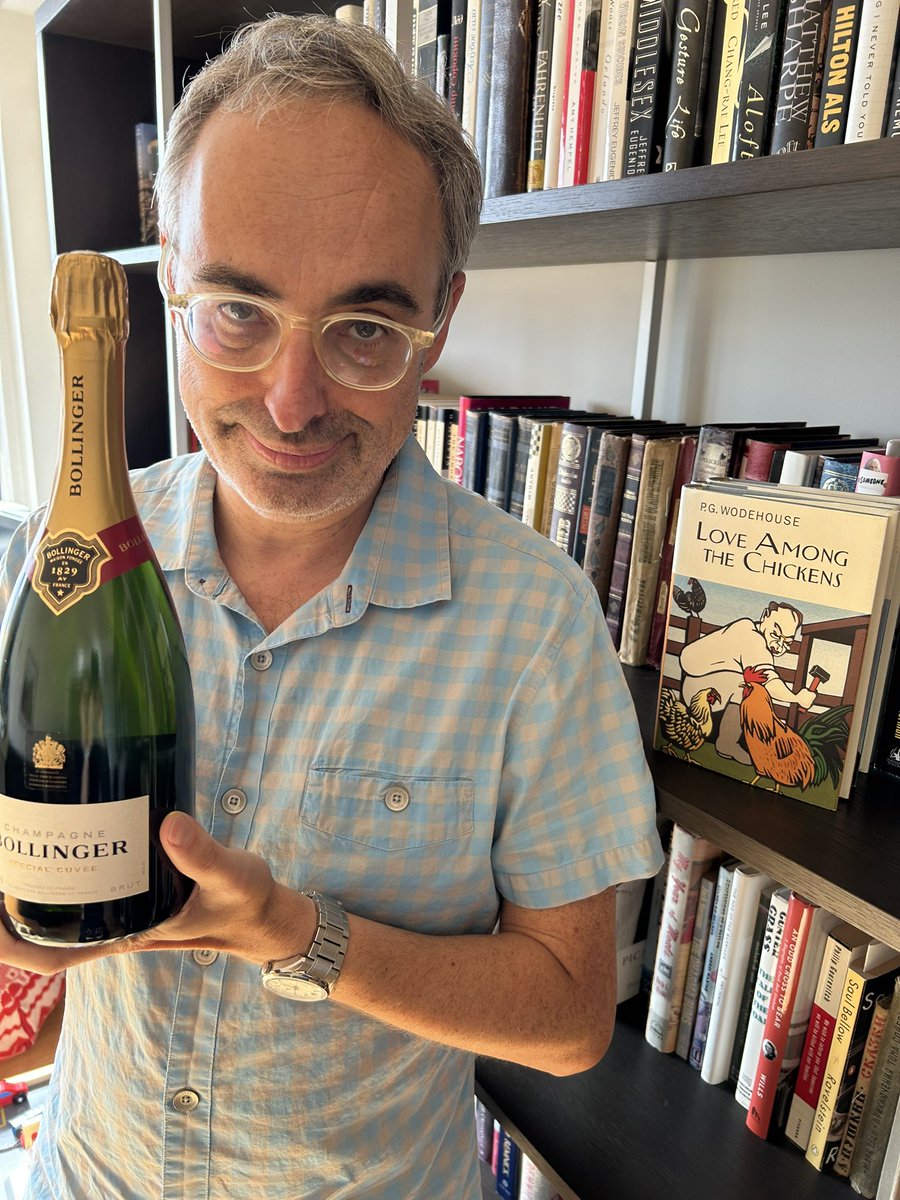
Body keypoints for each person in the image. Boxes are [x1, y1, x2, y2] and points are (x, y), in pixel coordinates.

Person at [0, 16, 663, 1199]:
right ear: (170, 274)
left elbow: (569, 1021)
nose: (292, 401)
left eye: (364, 329)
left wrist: (298, 933)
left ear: (440, 318)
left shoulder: (538, 626)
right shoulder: (60, 569)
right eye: (237, 309)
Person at [679, 599, 817, 763]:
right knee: (746, 687)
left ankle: (728, 741)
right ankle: (727, 743)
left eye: (787, 642)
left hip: (702, 684)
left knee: (747, 684)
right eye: (775, 634)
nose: (779, 645)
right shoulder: (752, 638)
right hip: (699, 689)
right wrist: (796, 697)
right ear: (765, 616)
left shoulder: (748, 629)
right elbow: (768, 679)